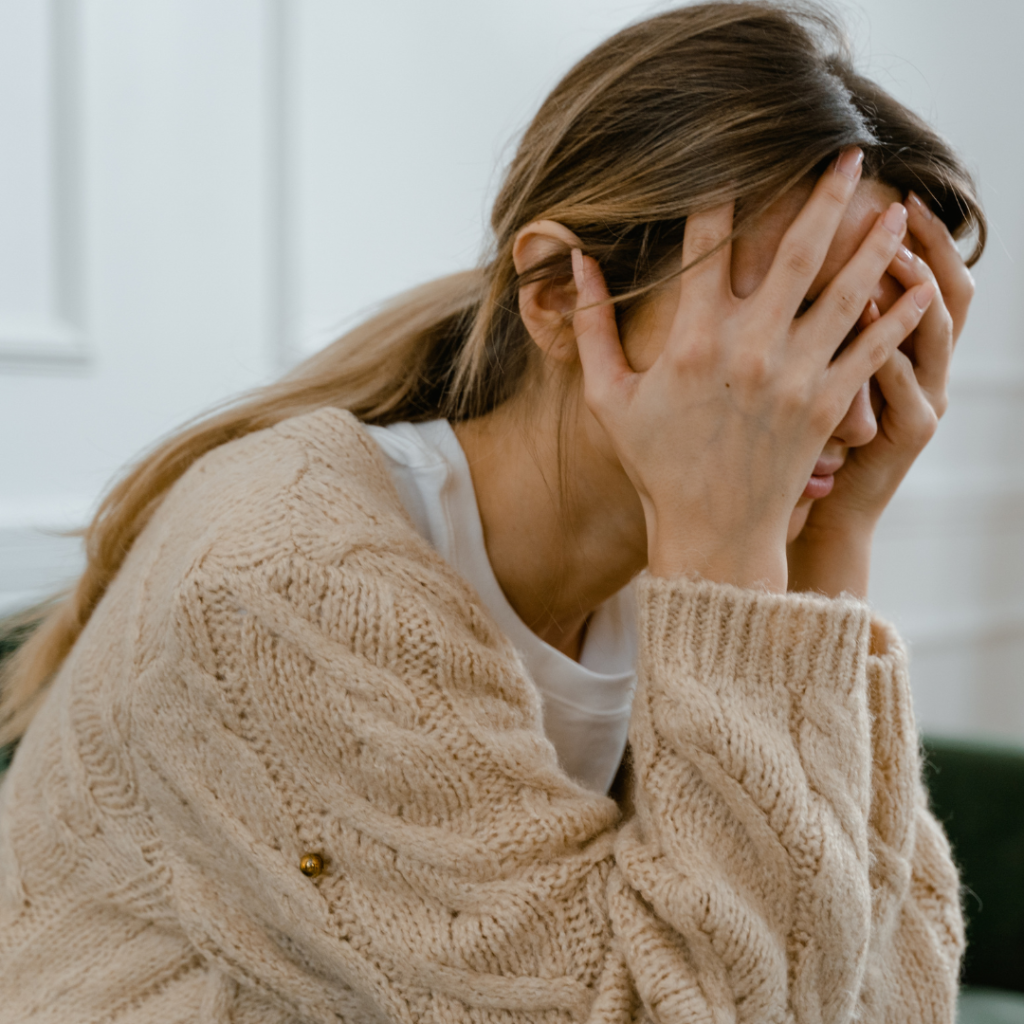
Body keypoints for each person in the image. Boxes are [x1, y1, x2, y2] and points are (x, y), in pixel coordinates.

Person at [0, 2, 985, 1021]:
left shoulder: (689, 557)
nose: (844, 408)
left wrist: (832, 549)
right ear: (558, 294)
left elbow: (886, 1000)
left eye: (882, 341)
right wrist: (746, 571)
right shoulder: (287, 580)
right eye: (791, 322)